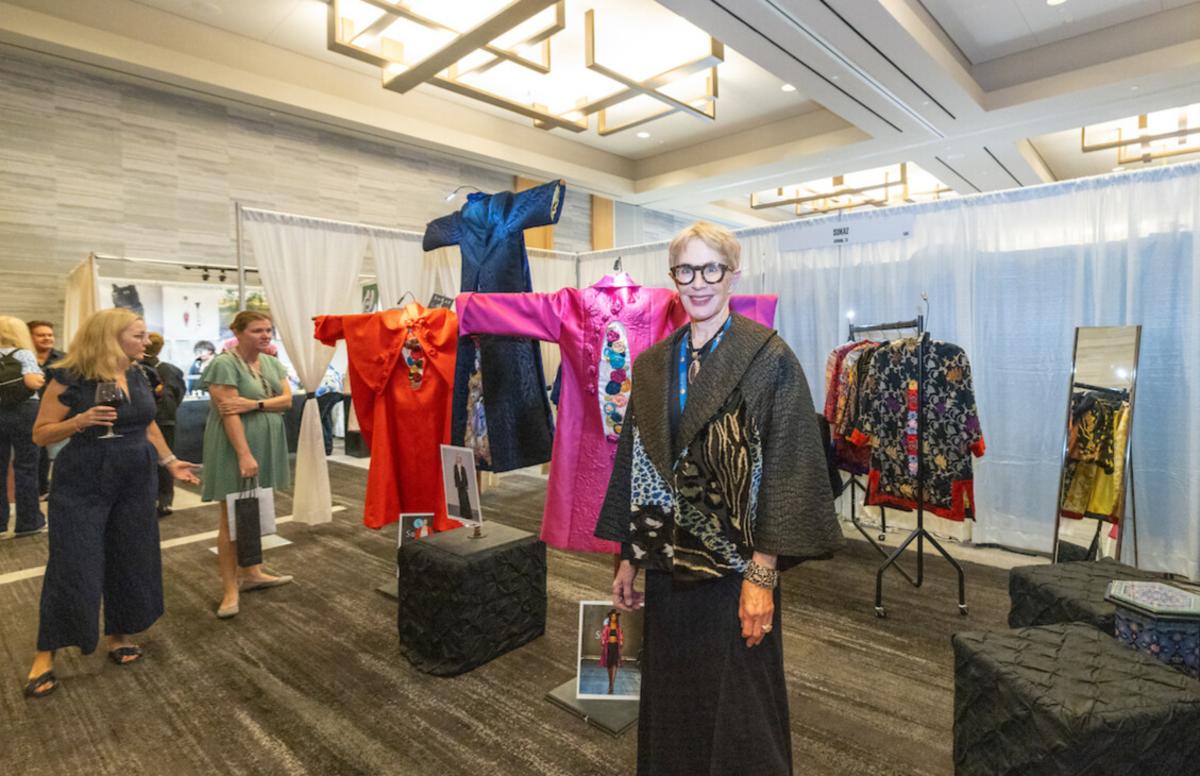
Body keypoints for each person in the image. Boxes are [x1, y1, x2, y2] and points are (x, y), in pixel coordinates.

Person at [594, 222, 845, 775]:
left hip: (733, 570)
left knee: (741, 711)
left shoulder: (767, 357)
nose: (699, 283)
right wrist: (628, 559)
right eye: (687, 270)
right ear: (673, 278)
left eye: (712, 269)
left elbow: (789, 469)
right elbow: (638, 463)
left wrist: (763, 576)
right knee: (673, 698)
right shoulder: (654, 364)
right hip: (667, 565)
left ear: (733, 274)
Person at [23, 309, 199, 699]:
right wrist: (80, 420)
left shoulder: (141, 373)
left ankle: (118, 634)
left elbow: (148, 424)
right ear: (111, 337)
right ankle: (45, 653)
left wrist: (170, 462)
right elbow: (40, 434)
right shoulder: (69, 376)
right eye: (138, 334)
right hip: (83, 475)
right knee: (73, 562)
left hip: (136, 475)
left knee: (130, 556)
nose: (146, 340)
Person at [200, 311, 293, 619]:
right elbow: (228, 411)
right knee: (230, 516)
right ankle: (230, 588)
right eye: (257, 330)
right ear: (238, 332)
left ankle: (252, 571)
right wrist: (243, 453)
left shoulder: (270, 361)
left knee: (254, 507)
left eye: (268, 329)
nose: (265, 335)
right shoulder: (224, 363)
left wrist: (255, 404)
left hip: (266, 442)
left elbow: (287, 400)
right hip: (236, 446)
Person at [0, 316, 46, 537]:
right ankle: (28, 521)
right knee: (26, 466)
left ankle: (0, 522)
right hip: (24, 411)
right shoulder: (23, 354)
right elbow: (33, 381)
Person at [143, 333, 186, 517]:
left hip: (148, 421)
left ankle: (151, 499)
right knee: (166, 460)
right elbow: (180, 392)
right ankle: (166, 500)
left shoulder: (137, 369)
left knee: (148, 461)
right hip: (167, 419)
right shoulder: (172, 369)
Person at [28, 320, 65, 500]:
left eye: (50, 335)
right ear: (30, 337)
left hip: (59, 415)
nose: (47, 338)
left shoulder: (64, 359)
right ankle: (39, 490)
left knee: (60, 455)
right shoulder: (23, 359)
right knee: (34, 456)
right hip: (28, 413)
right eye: (41, 335)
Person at [599, 609, 624, 695]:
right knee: (609, 665)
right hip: (608, 646)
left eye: (615, 616)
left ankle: (612, 684)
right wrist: (602, 641)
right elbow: (603, 635)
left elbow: (620, 636)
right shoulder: (607, 627)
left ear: (616, 617)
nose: (614, 617)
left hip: (615, 647)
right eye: (612, 616)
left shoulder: (618, 627)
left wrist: (621, 641)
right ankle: (610, 682)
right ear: (610, 617)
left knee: (615, 664)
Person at [453, 454, 474, 522]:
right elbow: (455, 476)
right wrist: (456, 484)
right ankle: (462, 513)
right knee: (461, 499)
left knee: (465, 499)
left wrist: (467, 485)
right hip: (459, 485)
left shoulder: (463, 467)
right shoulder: (455, 467)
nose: (458, 459)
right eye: (457, 458)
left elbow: (465, 477)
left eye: (459, 458)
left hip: (464, 485)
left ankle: (468, 514)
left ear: (461, 459)